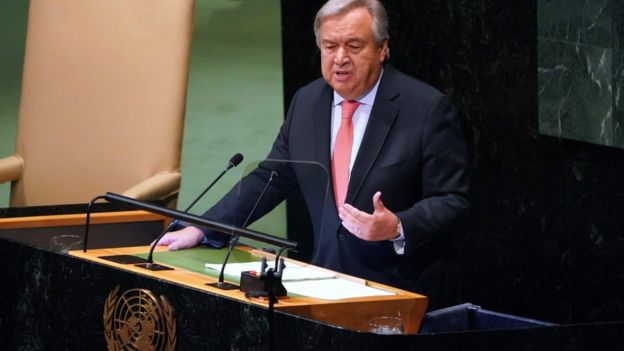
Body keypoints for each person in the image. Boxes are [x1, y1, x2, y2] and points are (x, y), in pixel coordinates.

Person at [157, 0, 470, 310]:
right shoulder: (307, 102)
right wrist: (201, 227)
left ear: (382, 48)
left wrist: (398, 226)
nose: (340, 58)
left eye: (354, 45)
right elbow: (270, 178)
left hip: (401, 292)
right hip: (325, 286)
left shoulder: (426, 108)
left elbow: (452, 199)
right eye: (330, 46)